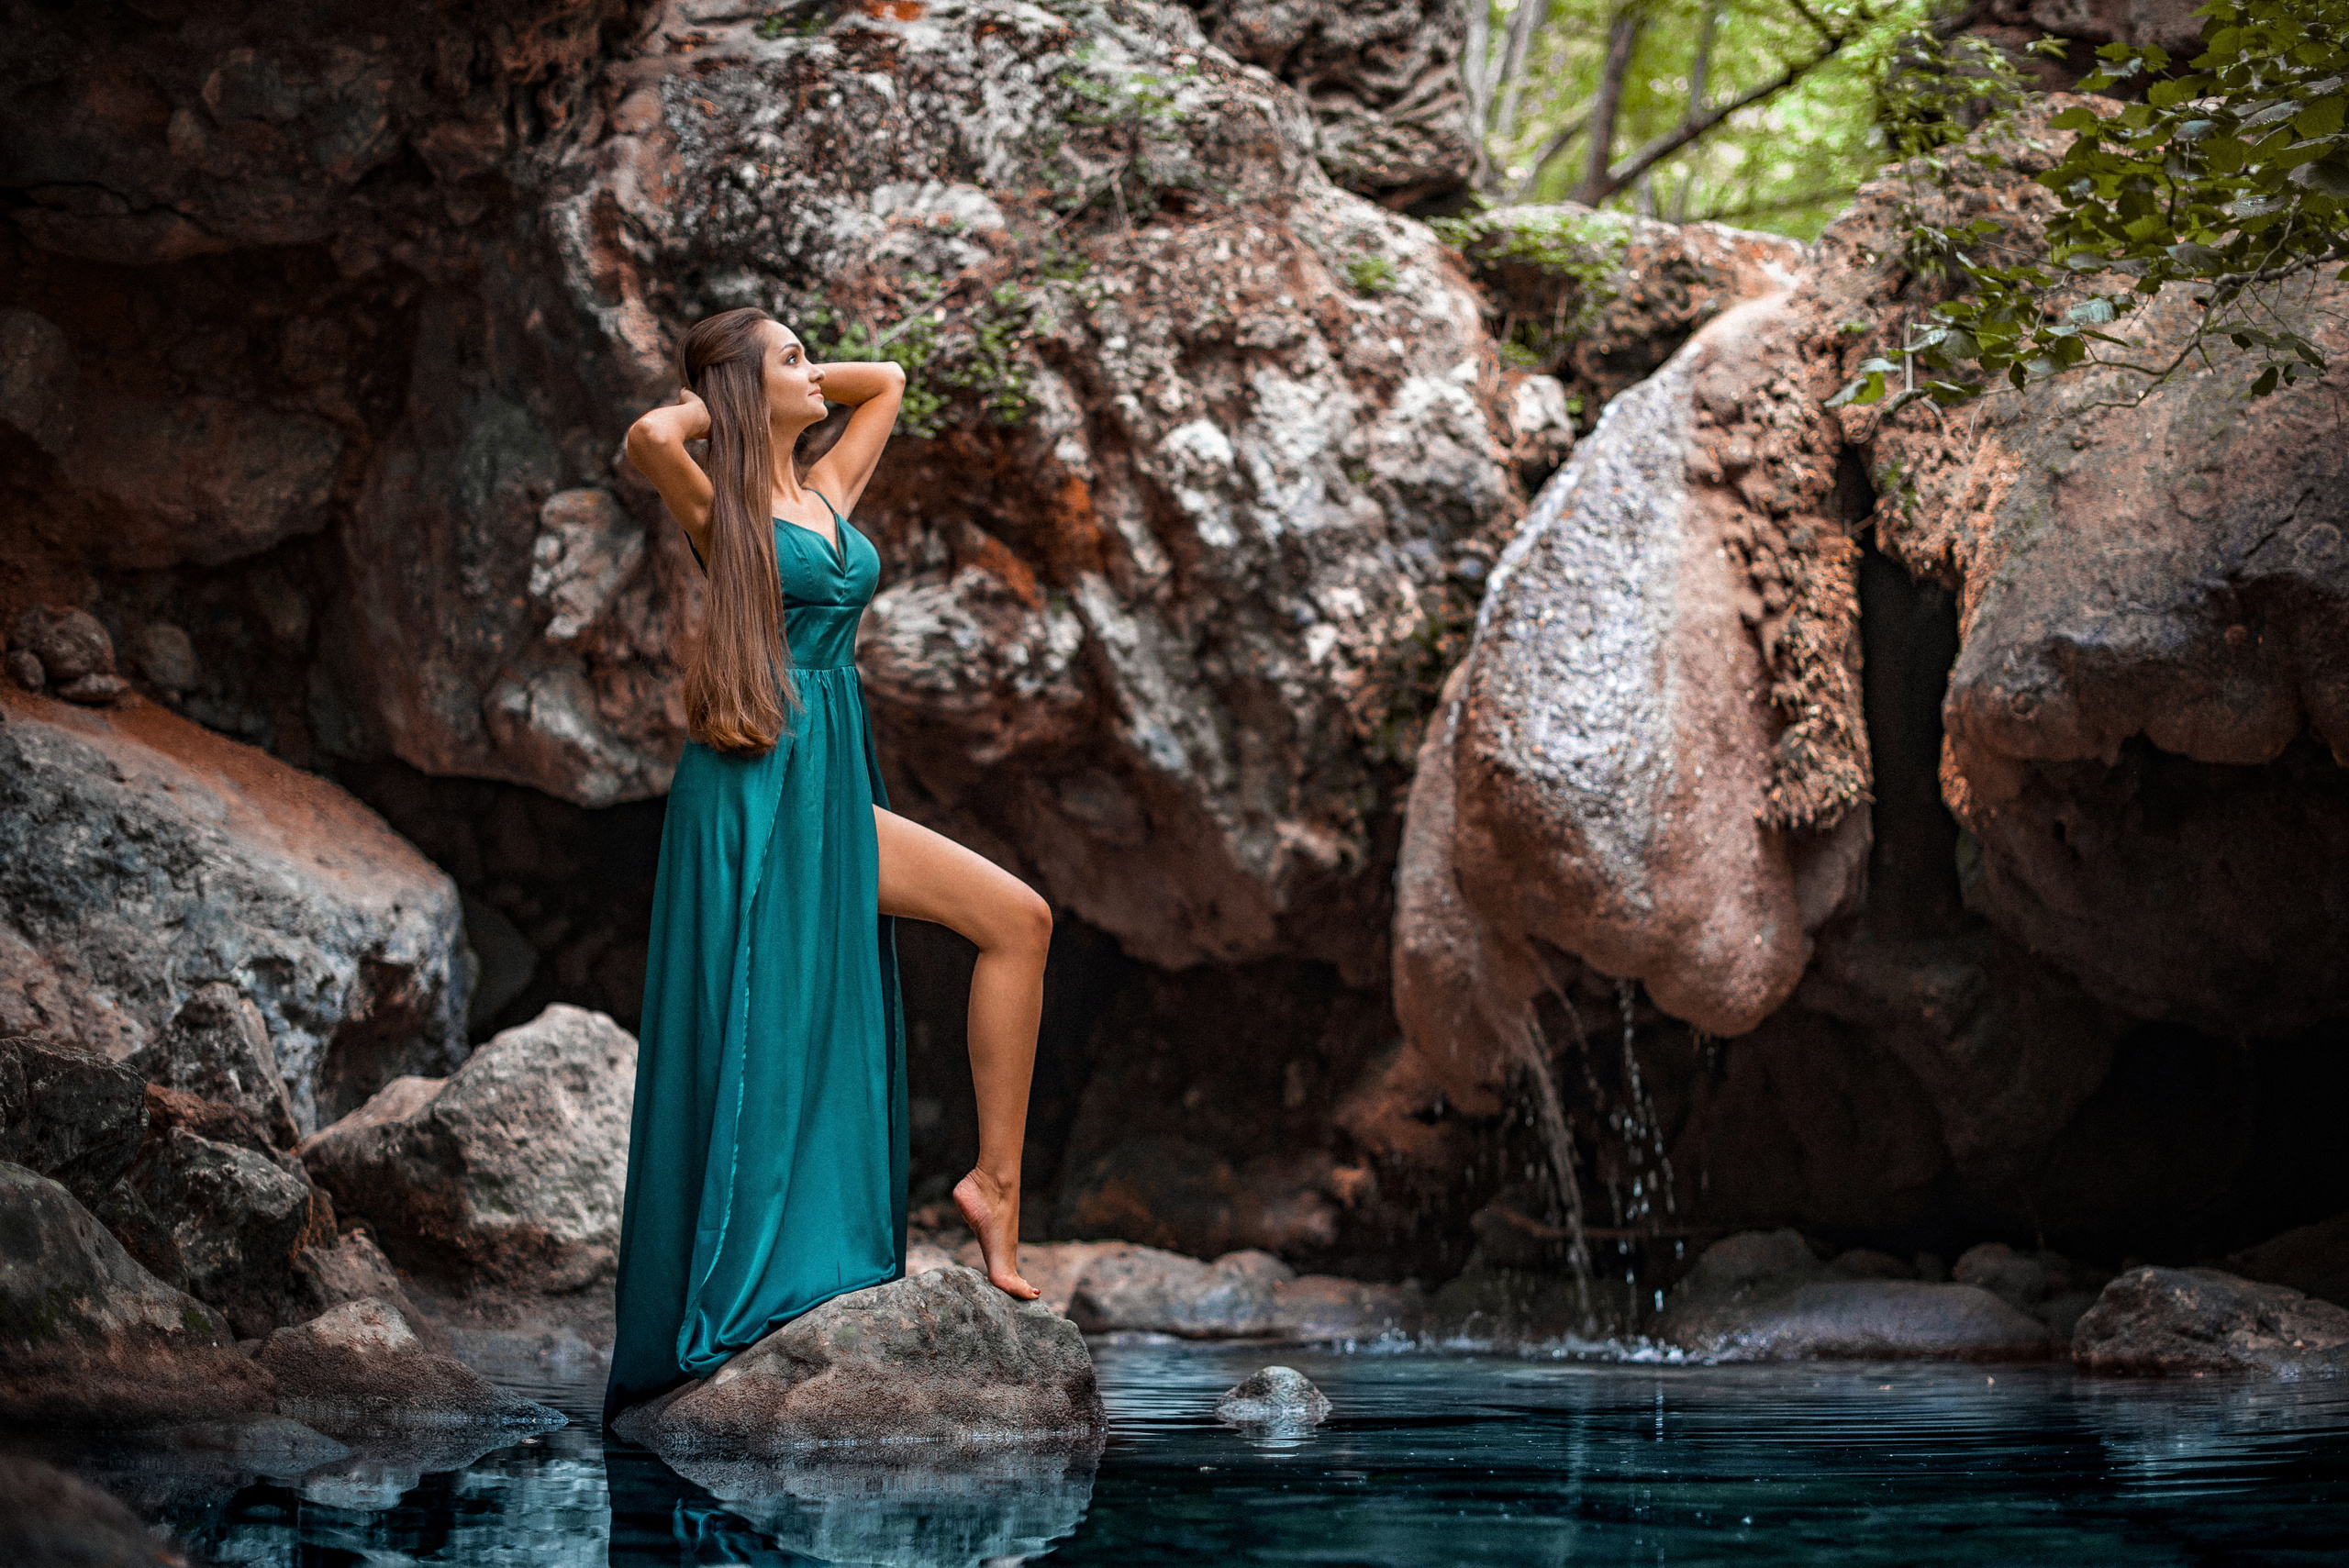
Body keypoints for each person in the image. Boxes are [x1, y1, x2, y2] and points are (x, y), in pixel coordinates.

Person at [602, 306, 1050, 1425]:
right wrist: (738, 394)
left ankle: (994, 1189)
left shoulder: (826, 495)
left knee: (1018, 919)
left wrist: (785, 379)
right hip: (753, 788)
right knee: (765, 1019)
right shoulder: (729, 510)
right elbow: (654, 437)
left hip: (835, 784)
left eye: (809, 354)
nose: (819, 372)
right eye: (793, 357)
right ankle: (749, 1276)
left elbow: (888, 376)